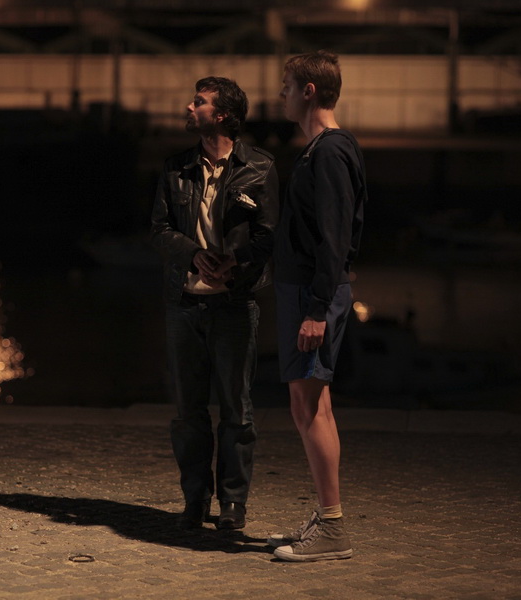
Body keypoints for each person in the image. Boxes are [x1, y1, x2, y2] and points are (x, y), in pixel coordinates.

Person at [150, 77, 279, 531]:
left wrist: (233, 265)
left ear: (222, 114)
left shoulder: (259, 167)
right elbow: (160, 230)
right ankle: (195, 500)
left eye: (199, 102)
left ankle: (233, 504)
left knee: (236, 412)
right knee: (188, 413)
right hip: (184, 304)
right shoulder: (176, 167)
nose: (189, 107)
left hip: (234, 304)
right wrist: (193, 255)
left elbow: (267, 236)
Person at [268, 51, 367, 561]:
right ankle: (326, 518)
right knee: (311, 405)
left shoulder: (329, 151)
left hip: (312, 293)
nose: (280, 93)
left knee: (309, 408)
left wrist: (316, 309)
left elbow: (336, 236)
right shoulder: (322, 149)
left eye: (287, 85)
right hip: (307, 290)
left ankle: (332, 528)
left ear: (308, 91)